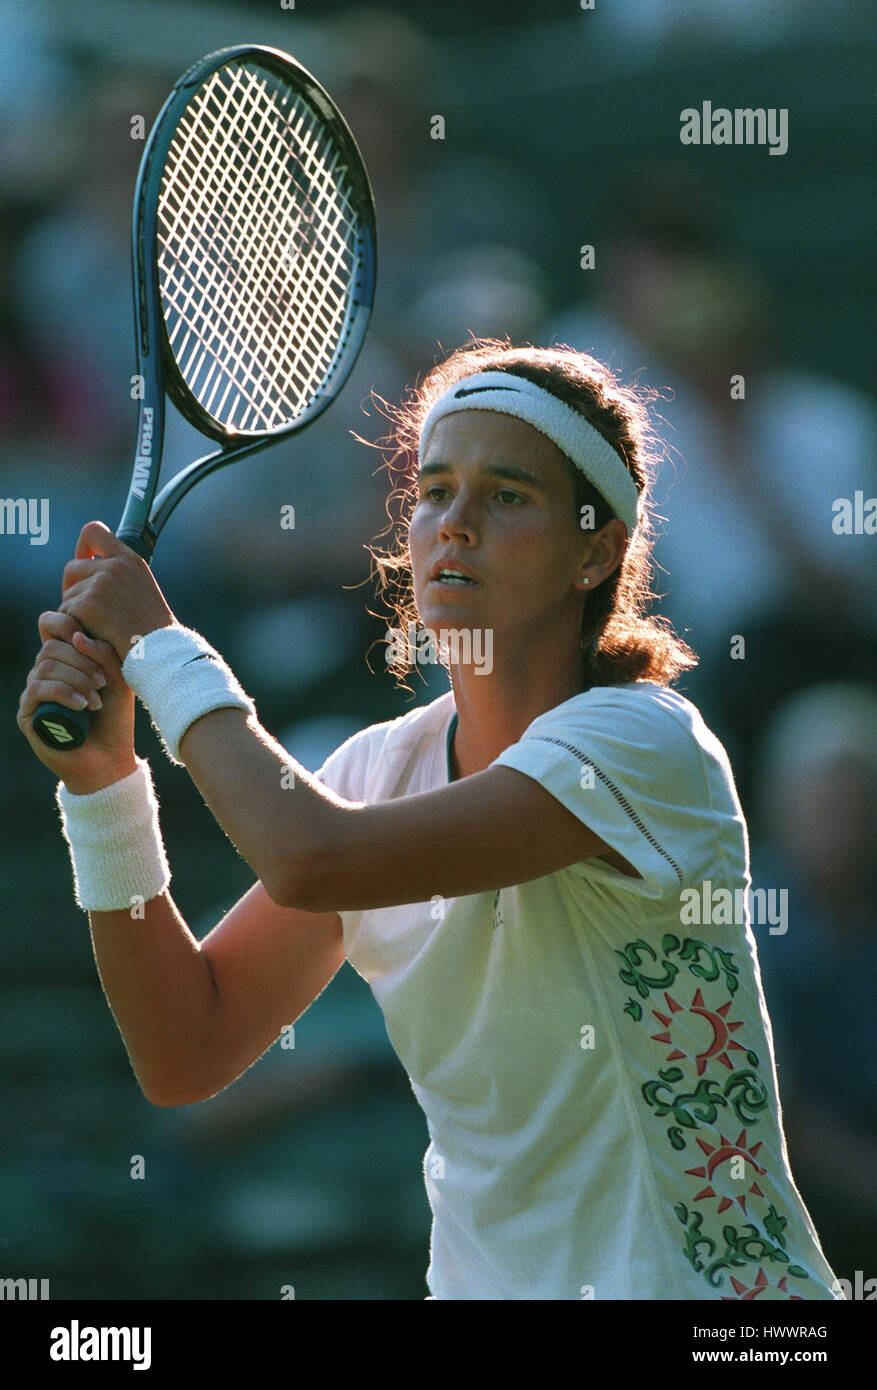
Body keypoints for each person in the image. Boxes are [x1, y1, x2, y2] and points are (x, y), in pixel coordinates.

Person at [18, 339, 842, 1301]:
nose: (453, 524)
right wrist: (105, 785)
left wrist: (160, 654)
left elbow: (311, 860)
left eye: (505, 496)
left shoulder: (642, 740)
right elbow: (185, 1050)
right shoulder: (372, 772)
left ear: (597, 550)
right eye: (434, 491)